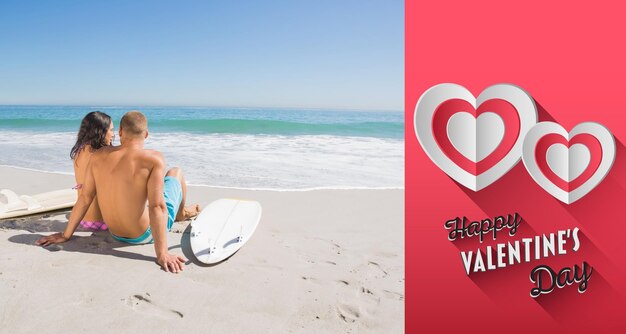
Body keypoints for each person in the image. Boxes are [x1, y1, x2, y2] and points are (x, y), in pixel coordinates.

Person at [37, 111, 200, 273]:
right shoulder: (153, 159)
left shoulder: (97, 157)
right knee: (175, 173)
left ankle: (179, 213)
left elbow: (85, 198)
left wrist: (66, 235)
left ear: (120, 131)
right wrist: (162, 253)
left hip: (114, 232)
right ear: (147, 134)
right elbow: (157, 207)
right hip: (143, 235)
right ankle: (180, 214)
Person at [70, 111, 114, 231]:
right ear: (100, 132)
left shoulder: (78, 151)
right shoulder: (102, 155)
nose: (113, 134)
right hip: (103, 221)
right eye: (111, 130)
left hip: (84, 219)